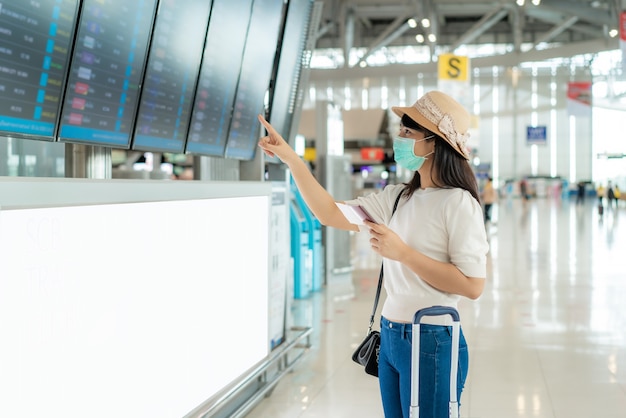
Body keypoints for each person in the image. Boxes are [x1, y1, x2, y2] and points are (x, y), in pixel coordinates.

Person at [257, 90, 489, 418]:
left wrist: (403, 253)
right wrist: (293, 160)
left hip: (432, 338)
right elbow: (330, 213)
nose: (399, 139)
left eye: (408, 132)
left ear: (434, 143)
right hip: (391, 333)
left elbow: (472, 285)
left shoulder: (458, 203)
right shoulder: (396, 198)